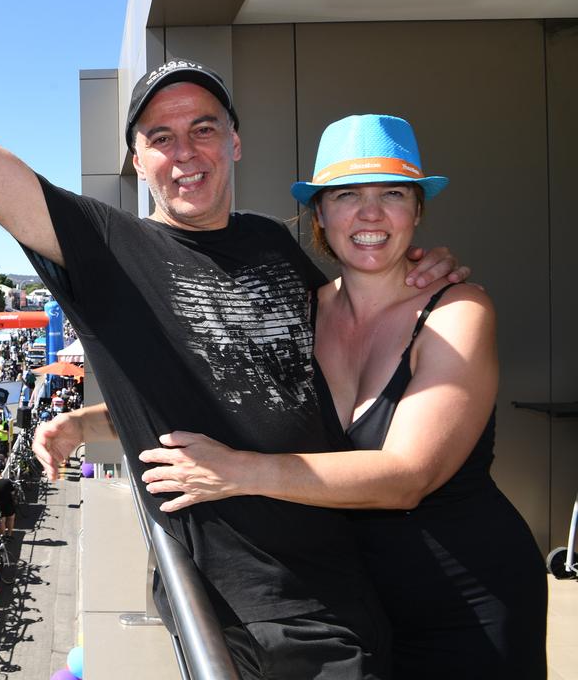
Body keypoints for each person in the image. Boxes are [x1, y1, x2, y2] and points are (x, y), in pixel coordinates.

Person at [0, 0, 465, 678]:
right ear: (137, 160)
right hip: (255, 610)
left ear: (235, 142)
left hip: (358, 567)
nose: (186, 153)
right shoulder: (105, 249)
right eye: (161, 138)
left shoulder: (279, 246)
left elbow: (263, 385)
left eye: (204, 128)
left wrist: (413, 268)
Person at [135, 115, 547, 678]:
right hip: (353, 607)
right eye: (347, 194)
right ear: (321, 215)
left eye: (393, 194)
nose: (370, 214)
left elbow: (407, 478)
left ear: (417, 211)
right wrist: (91, 421)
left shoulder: (458, 311)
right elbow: (228, 397)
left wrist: (238, 472)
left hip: (469, 605)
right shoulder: (302, 310)